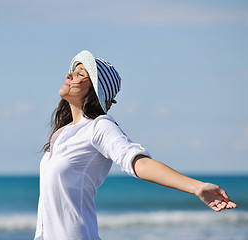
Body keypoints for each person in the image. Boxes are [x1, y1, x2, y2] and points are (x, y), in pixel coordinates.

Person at [34, 50, 237, 240]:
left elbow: (139, 163)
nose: (70, 76)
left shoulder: (99, 126)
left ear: (95, 90)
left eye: (80, 74)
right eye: (73, 71)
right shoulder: (61, 134)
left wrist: (197, 187)